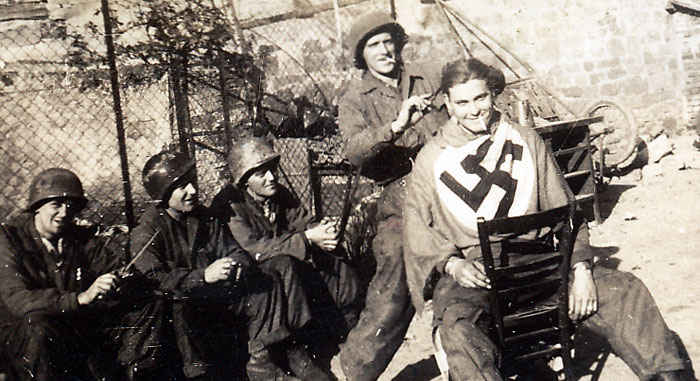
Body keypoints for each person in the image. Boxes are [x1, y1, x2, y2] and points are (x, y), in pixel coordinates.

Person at [403, 58, 694, 381]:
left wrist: (581, 269)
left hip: (540, 262)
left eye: (480, 98)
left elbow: (568, 214)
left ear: (493, 95)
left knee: (624, 289)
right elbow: (417, 229)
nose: (474, 110)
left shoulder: (526, 141)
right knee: (458, 325)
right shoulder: (432, 158)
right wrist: (451, 264)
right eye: (462, 102)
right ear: (447, 103)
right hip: (477, 274)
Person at [131, 150, 334, 381]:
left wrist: (235, 265)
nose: (193, 191)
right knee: (181, 306)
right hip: (182, 308)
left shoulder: (203, 218)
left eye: (193, 183)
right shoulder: (147, 231)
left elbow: (236, 251)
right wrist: (203, 276)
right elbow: (153, 277)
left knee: (273, 271)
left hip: (216, 295)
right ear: (164, 194)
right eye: (183, 187)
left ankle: (268, 360)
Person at [336, 11, 449, 380]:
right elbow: (353, 151)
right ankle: (357, 369)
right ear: (361, 55)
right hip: (398, 194)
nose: (384, 50)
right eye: (374, 45)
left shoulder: (427, 76)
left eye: (388, 41)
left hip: (448, 184)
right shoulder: (354, 99)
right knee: (396, 274)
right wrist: (396, 126)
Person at [211, 137, 362, 353]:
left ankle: (348, 323)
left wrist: (324, 230)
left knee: (332, 256)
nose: (271, 177)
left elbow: (302, 220)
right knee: (286, 265)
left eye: (272, 169)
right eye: (261, 173)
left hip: (286, 258)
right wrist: (308, 238)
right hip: (254, 276)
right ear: (244, 179)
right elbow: (254, 249)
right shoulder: (230, 204)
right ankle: (296, 345)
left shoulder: (278, 193)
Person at [0, 168, 137, 380]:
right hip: (23, 340)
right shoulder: (10, 239)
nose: (64, 212)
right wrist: (80, 298)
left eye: (70, 206)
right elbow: (17, 300)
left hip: (72, 331)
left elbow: (110, 266)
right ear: (37, 208)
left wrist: (117, 280)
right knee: (37, 326)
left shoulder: (79, 238)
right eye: (56, 205)